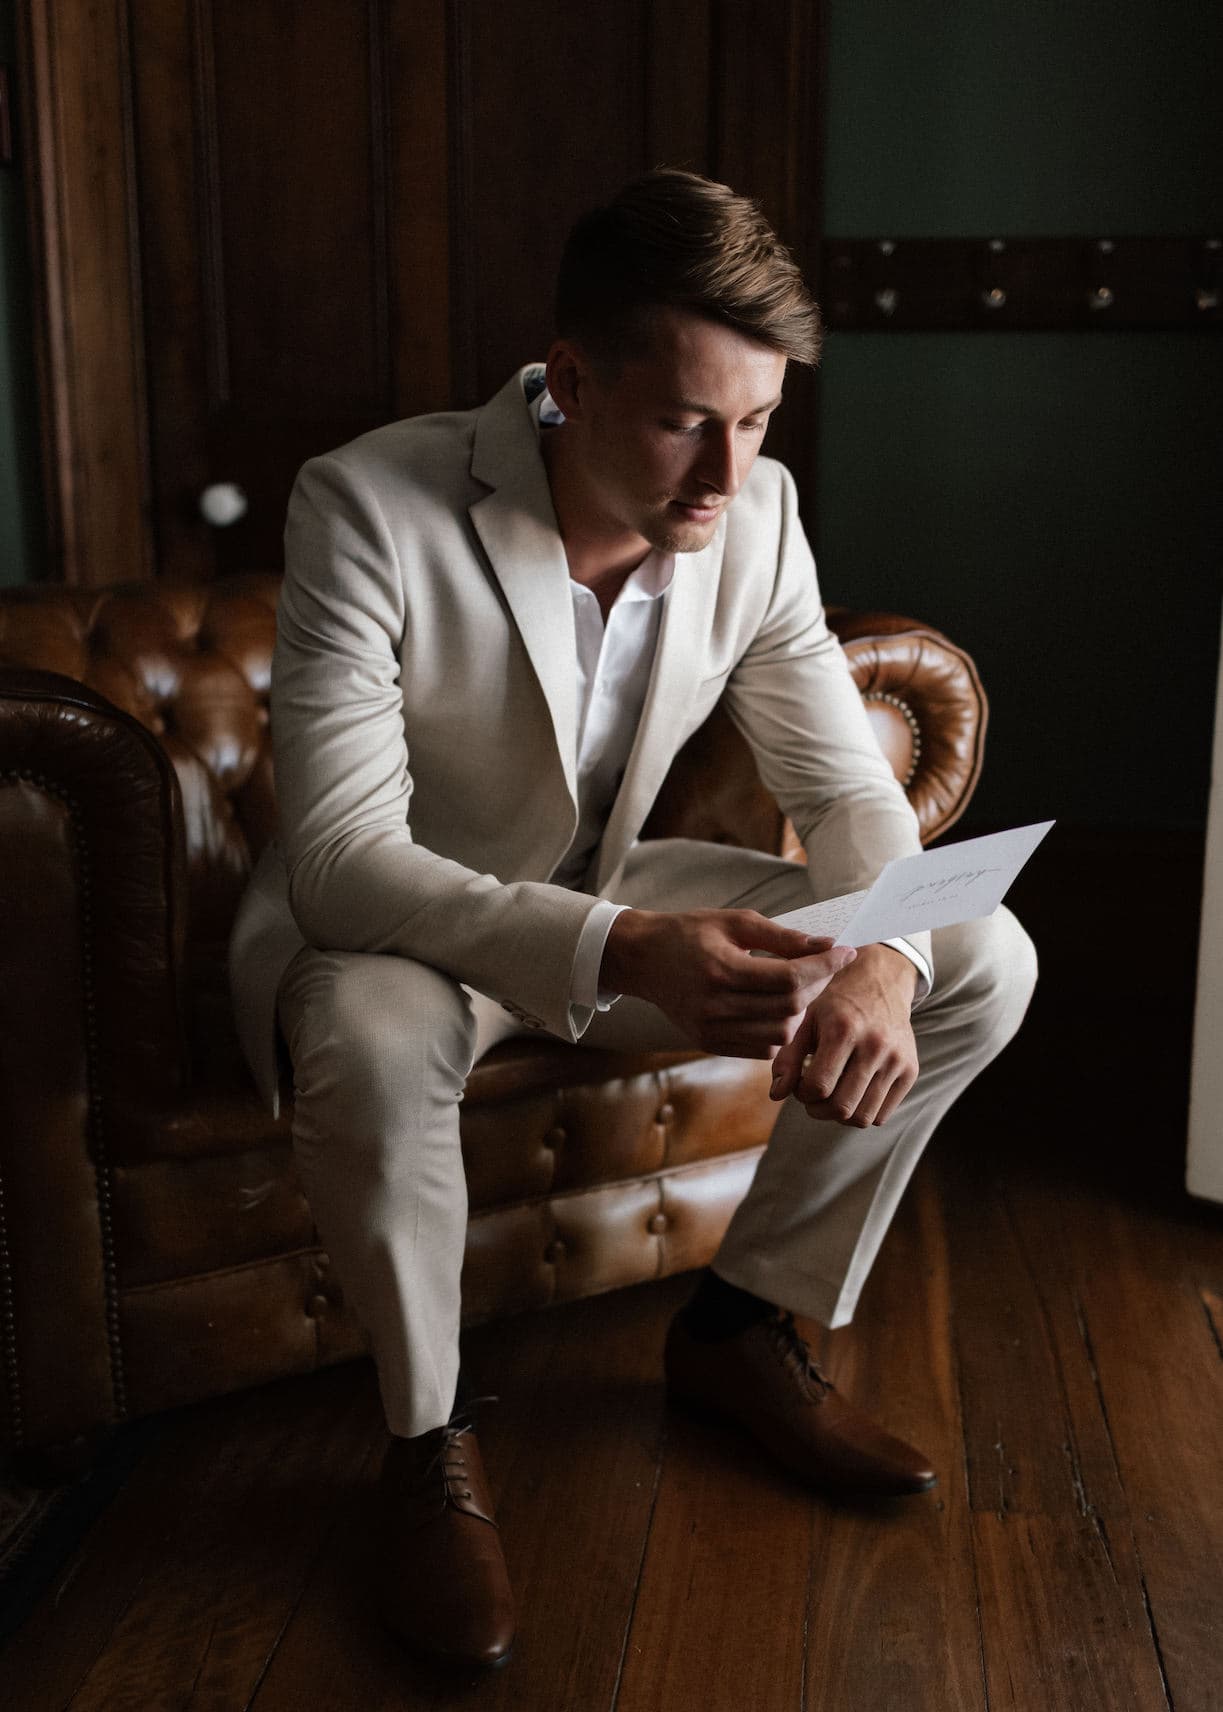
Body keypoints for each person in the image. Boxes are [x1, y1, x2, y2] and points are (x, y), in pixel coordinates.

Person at [229, 169, 1036, 1671]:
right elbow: (341, 856)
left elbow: (851, 792)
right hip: (406, 924)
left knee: (983, 954)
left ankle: (741, 1329)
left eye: (761, 420)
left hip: (622, 889)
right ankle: (425, 1442)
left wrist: (875, 958)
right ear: (573, 381)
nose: (726, 472)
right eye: (687, 421)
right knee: (366, 1031)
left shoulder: (759, 515)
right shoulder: (370, 502)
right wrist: (617, 952)